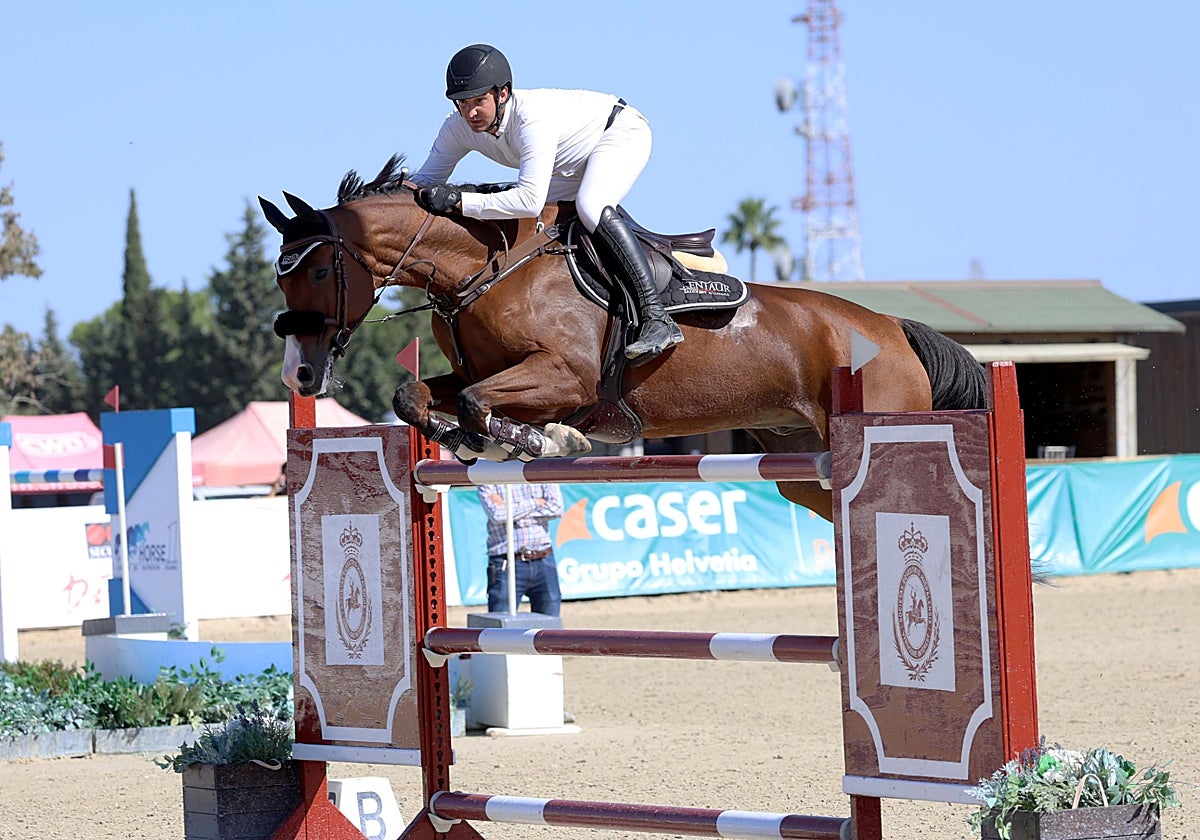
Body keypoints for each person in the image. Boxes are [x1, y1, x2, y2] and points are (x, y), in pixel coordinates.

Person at [409, 43, 684, 366]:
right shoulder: (457, 128)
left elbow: (528, 200)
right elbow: (424, 180)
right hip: (567, 164)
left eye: (478, 101)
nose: (470, 113)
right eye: (461, 103)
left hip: (618, 133)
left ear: (503, 94)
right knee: (546, 224)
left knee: (591, 205)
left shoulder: (531, 119)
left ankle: (656, 317)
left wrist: (459, 202)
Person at [477, 483, 565, 616]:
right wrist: (537, 502)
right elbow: (497, 514)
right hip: (505, 561)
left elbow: (557, 508)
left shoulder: (540, 469)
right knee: (500, 626)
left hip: (543, 558)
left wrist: (511, 511)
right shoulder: (487, 473)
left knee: (549, 626)